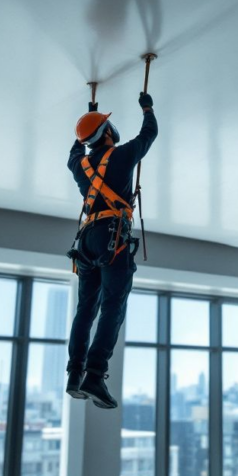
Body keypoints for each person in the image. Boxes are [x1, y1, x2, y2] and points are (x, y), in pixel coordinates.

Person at [65, 92, 157, 409]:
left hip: (86, 240)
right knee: (113, 306)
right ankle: (95, 373)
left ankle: (75, 373)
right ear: (108, 133)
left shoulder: (79, 165)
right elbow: (150, 134)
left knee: (85, 309)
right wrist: (147, 107)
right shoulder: (121, 156)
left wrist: (88, 115)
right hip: (111, 237)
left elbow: (73, 151)